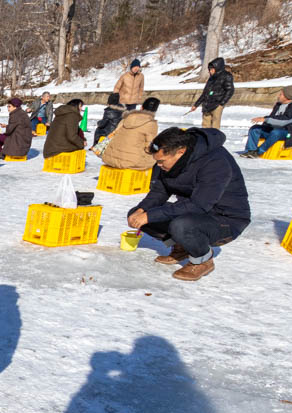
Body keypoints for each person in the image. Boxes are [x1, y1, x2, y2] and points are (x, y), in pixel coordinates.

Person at [127, 127, 250, 281]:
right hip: (192, 212)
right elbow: (159, 192)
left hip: (225, 219)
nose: (158, 165)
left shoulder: (215, 161)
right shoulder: (166, 163)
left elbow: (200, 204)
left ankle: (203, 260)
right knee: (137, 215)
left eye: (161, 161)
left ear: (181, 151)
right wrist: (142, 210)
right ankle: (182, 247)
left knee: (181, 225)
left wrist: (150, 215)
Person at [239, 86, 292, 158]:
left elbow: (284, 120)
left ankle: (258, 152)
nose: (278, 96)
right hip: (274, 130)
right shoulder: (279, 104)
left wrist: (265, 119)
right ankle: (250, 151)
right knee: (255, 129)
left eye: (281, 94)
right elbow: (273, 117)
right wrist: (265, 121)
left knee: (276, 132)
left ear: (287, 97)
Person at [101, 97, 160, 170]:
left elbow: (114, 133)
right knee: (158, 160)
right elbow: (149, 147)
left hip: (109, 157)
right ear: (155, 111)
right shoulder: (151, 123)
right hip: (131, 162)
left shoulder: (127, 118)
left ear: (141, 107)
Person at [191, 57, 235, 129]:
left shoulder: (226, 76)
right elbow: (205, 93)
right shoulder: (211, 78)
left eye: (212, 69)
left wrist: (221, 103)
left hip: (217, 105)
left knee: (215, 126)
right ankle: (206, 139)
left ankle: (215, 139)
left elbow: (230, 90)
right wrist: (196, 105)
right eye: (209, 69)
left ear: (217, 68)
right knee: (205, 126)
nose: (210, 71)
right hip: (206, 105)